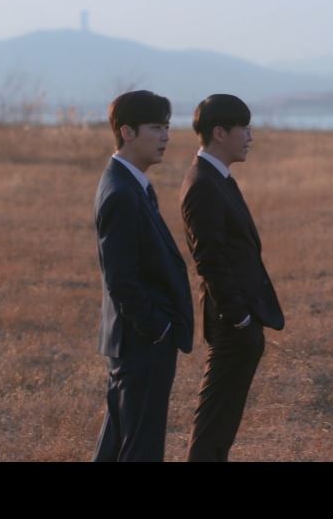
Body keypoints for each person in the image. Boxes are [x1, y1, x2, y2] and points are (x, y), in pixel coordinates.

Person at [179, 93, 284, 462]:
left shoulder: (219, 179)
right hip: (231, 320)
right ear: (220, 133)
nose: (250, 137)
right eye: (244, 129)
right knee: (215, 420)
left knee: (223, 421)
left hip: (242, 317)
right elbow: (208, 259)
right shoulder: (203, 183)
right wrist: (238, 316)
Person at [92, 90, 193, 462]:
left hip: (137, 339)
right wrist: (158, 328)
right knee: (141, 447)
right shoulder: (122, 192)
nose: (165, 136)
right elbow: (121, 279)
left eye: (167, 127)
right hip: (140, 341)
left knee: (120, 440)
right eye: (155, 127)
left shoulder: (131, 184)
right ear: (127, 132)